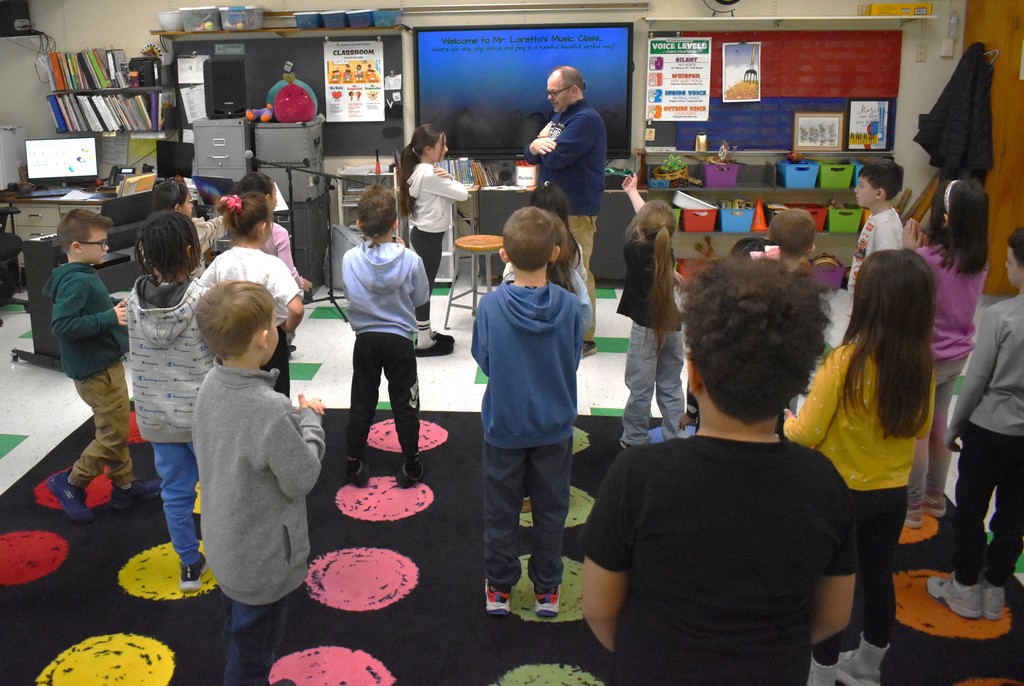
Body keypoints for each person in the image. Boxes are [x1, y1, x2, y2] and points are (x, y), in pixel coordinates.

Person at [581, 257, 855, 685]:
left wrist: (648, 653)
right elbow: (834, 615)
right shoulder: (824, 483)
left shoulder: (637, 475)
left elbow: (599, 608)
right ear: (800, 378)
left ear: (694, 375)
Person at [784, 249, 935, 685]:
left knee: (829, 586)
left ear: (867, 300)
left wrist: (788, 420)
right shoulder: (919, 364)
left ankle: (822, 672)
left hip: (838, 494)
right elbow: (920, 424)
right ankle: (868, 666)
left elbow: (807, 433)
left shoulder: (843, 362)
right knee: (878, 577)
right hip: (891, 493)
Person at [192, 280, 326, 685]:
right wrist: (312, 423)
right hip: (262, 560)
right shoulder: (272, 410)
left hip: (225, 544)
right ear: (266, 338)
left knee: (239, 631)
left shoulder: (209, 386)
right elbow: (302, 476)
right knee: (255, 654)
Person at [472, 206, 583, 618]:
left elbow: (485, 360)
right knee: (551, 512)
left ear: (504, 255)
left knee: (501, 512)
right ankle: (547, 590)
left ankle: (499, 588)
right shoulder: (572, 308)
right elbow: (571, 359)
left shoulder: (489, 307)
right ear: (555, 253)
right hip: (554, 428)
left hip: (504, 427)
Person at [926, 227, 1024, 622]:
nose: (1004, 265)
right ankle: (994, 587)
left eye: (1009, 261)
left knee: (970, 509)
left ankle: (964, 584)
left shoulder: (1003, 316)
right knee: (1014, 516)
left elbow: (977, 380)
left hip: (989, 431)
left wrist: (953, 428)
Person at [43, 209, 162, 523]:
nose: (106, 248)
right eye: (101, 243)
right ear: (77, 247)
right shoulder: (75, 282)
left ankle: (124, 486)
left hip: (103, 364)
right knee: (112, 434)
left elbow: (89, 307)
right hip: (95, 371)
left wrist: (110, 305)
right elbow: (63, 325)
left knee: (116, 427)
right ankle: (71, 482)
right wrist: (109, 318)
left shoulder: (82, 274)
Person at [126, 211, 214, 591]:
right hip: (203, 416)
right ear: (192, 250)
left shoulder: (133, 299)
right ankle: (226, 552)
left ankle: (188, 564)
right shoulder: (204, 299)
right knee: (215, 489)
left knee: (175, 493)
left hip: (156, 417)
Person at [902, 179, 989, 529]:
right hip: (956, 357)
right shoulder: (980, 261)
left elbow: (905, 292)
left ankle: (910, 507)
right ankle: (935, 498)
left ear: (947, 216)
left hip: (923, 357)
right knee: (939, 424)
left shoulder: (925, 259)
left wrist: (908, 253)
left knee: (917, 431)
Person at [342, 184, 430, 489]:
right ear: (396, 224)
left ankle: (353, 463)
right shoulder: (410, 260)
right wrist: (402, 252)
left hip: (365, 340)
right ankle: (412, 463)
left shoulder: (349, 259)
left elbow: (350, 293)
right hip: (400, 342)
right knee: (405, 403)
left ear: (359, 225)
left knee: (362, 400)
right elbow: (421, 299)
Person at [523, 65, 606, 357]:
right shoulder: (561, 117)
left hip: (576, 209)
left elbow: (556, 157)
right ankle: (566, 326)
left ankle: (585, 338)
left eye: (554, 92)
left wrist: (539, 147)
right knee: (560, 269)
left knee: (579, 271)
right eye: (548, 92)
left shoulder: (585, 120)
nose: (549, 97)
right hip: (556, 208)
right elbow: (529, 152)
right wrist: (535, 144)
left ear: (574, 90)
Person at [200, 192, 304, 398]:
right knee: (275, 395)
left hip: (230, 337)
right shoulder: (271, 264)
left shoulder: (221, 262)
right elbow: (296, 308)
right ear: (264, 228)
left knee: (234, 394)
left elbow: (202, 297)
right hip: (268, 343)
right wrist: (288, 327)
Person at [619, 174, 685, 447]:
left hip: (645, 330)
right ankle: (677, 437)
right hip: (673, 325)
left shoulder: (632, 248)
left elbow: (644, 222)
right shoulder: (664, 245)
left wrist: (634, 193)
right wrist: (633, 193)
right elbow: (649, 222)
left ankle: (634, 439)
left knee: (640, 388)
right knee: (671, 387)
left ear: (639, 229)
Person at [397, 124, 466, 357]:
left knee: (424, 286)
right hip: (428, 237)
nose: (446, 149)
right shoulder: (429, 173)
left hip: (426, 235)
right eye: (442, 145)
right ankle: (423, 341)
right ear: (428, 149)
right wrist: (452, 178)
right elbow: (463, 194)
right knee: (424, 288)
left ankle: (424, 333)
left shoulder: (423, 169)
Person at [234, 171, 313, 294]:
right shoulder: (279, 233)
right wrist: (300, 283)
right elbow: (289, 272)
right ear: (268, 199)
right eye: (275, 194)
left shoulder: (236, 226)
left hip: (242, 297)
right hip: (272, 296)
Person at [847, 159, 904, 293]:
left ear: (878, 193)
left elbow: (885, 272)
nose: (856, 190)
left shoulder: (886, 227)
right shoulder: (876, 216)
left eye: (861, 186)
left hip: (873, 299)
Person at [151, 178, 224, 275]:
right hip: (190, 288)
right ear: (178, 208)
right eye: (189, 202)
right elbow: (216, 226)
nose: (192, 206)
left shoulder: (148, 236)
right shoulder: (194, 233)